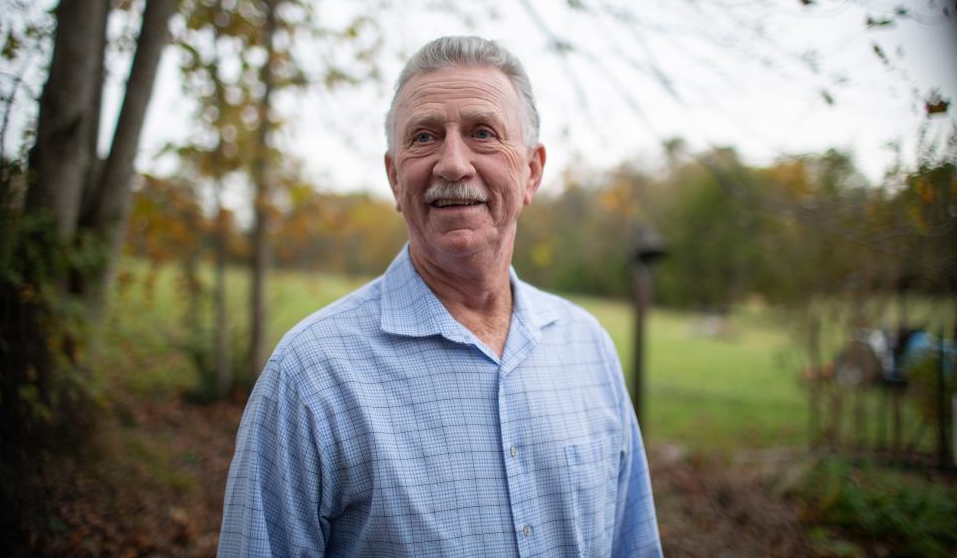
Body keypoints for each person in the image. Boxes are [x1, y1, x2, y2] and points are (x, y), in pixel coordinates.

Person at [218, 36, 662, 557]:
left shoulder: (587, 349)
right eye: (425, 137)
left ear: (532, 172)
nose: (452, 163)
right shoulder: (312, 376)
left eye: (482, 133)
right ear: (393, 177)